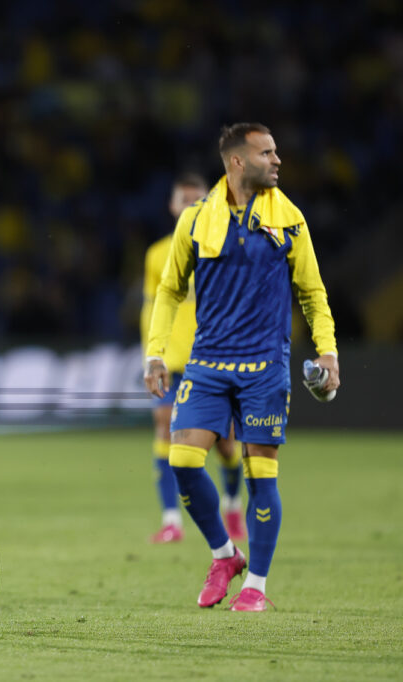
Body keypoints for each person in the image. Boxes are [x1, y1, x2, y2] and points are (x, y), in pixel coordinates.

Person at [144, 123, 339, 611]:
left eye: (276, 151)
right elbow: (169, 290)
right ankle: (224, 555)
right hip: (207, 363)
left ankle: (256, 584)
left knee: (261, 477)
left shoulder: (290, 219)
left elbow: (313, 294)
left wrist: (328, 350)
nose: (277, 160)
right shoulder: (196, 220)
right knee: (183, 462)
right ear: (237, 162)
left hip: (264, 367)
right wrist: (155, 351)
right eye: (266, 153)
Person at [141, 174, 245, 544]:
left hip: (214, 360)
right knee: (165, 428)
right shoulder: (156, 254)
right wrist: (153, 356)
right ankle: (172, 520)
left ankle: (232, 505)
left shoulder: (226, 247)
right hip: (172, 361)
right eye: (183, 200)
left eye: (196, 199)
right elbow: (153, 309)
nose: (190, 206)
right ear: (172, 206)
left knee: (227, 442)